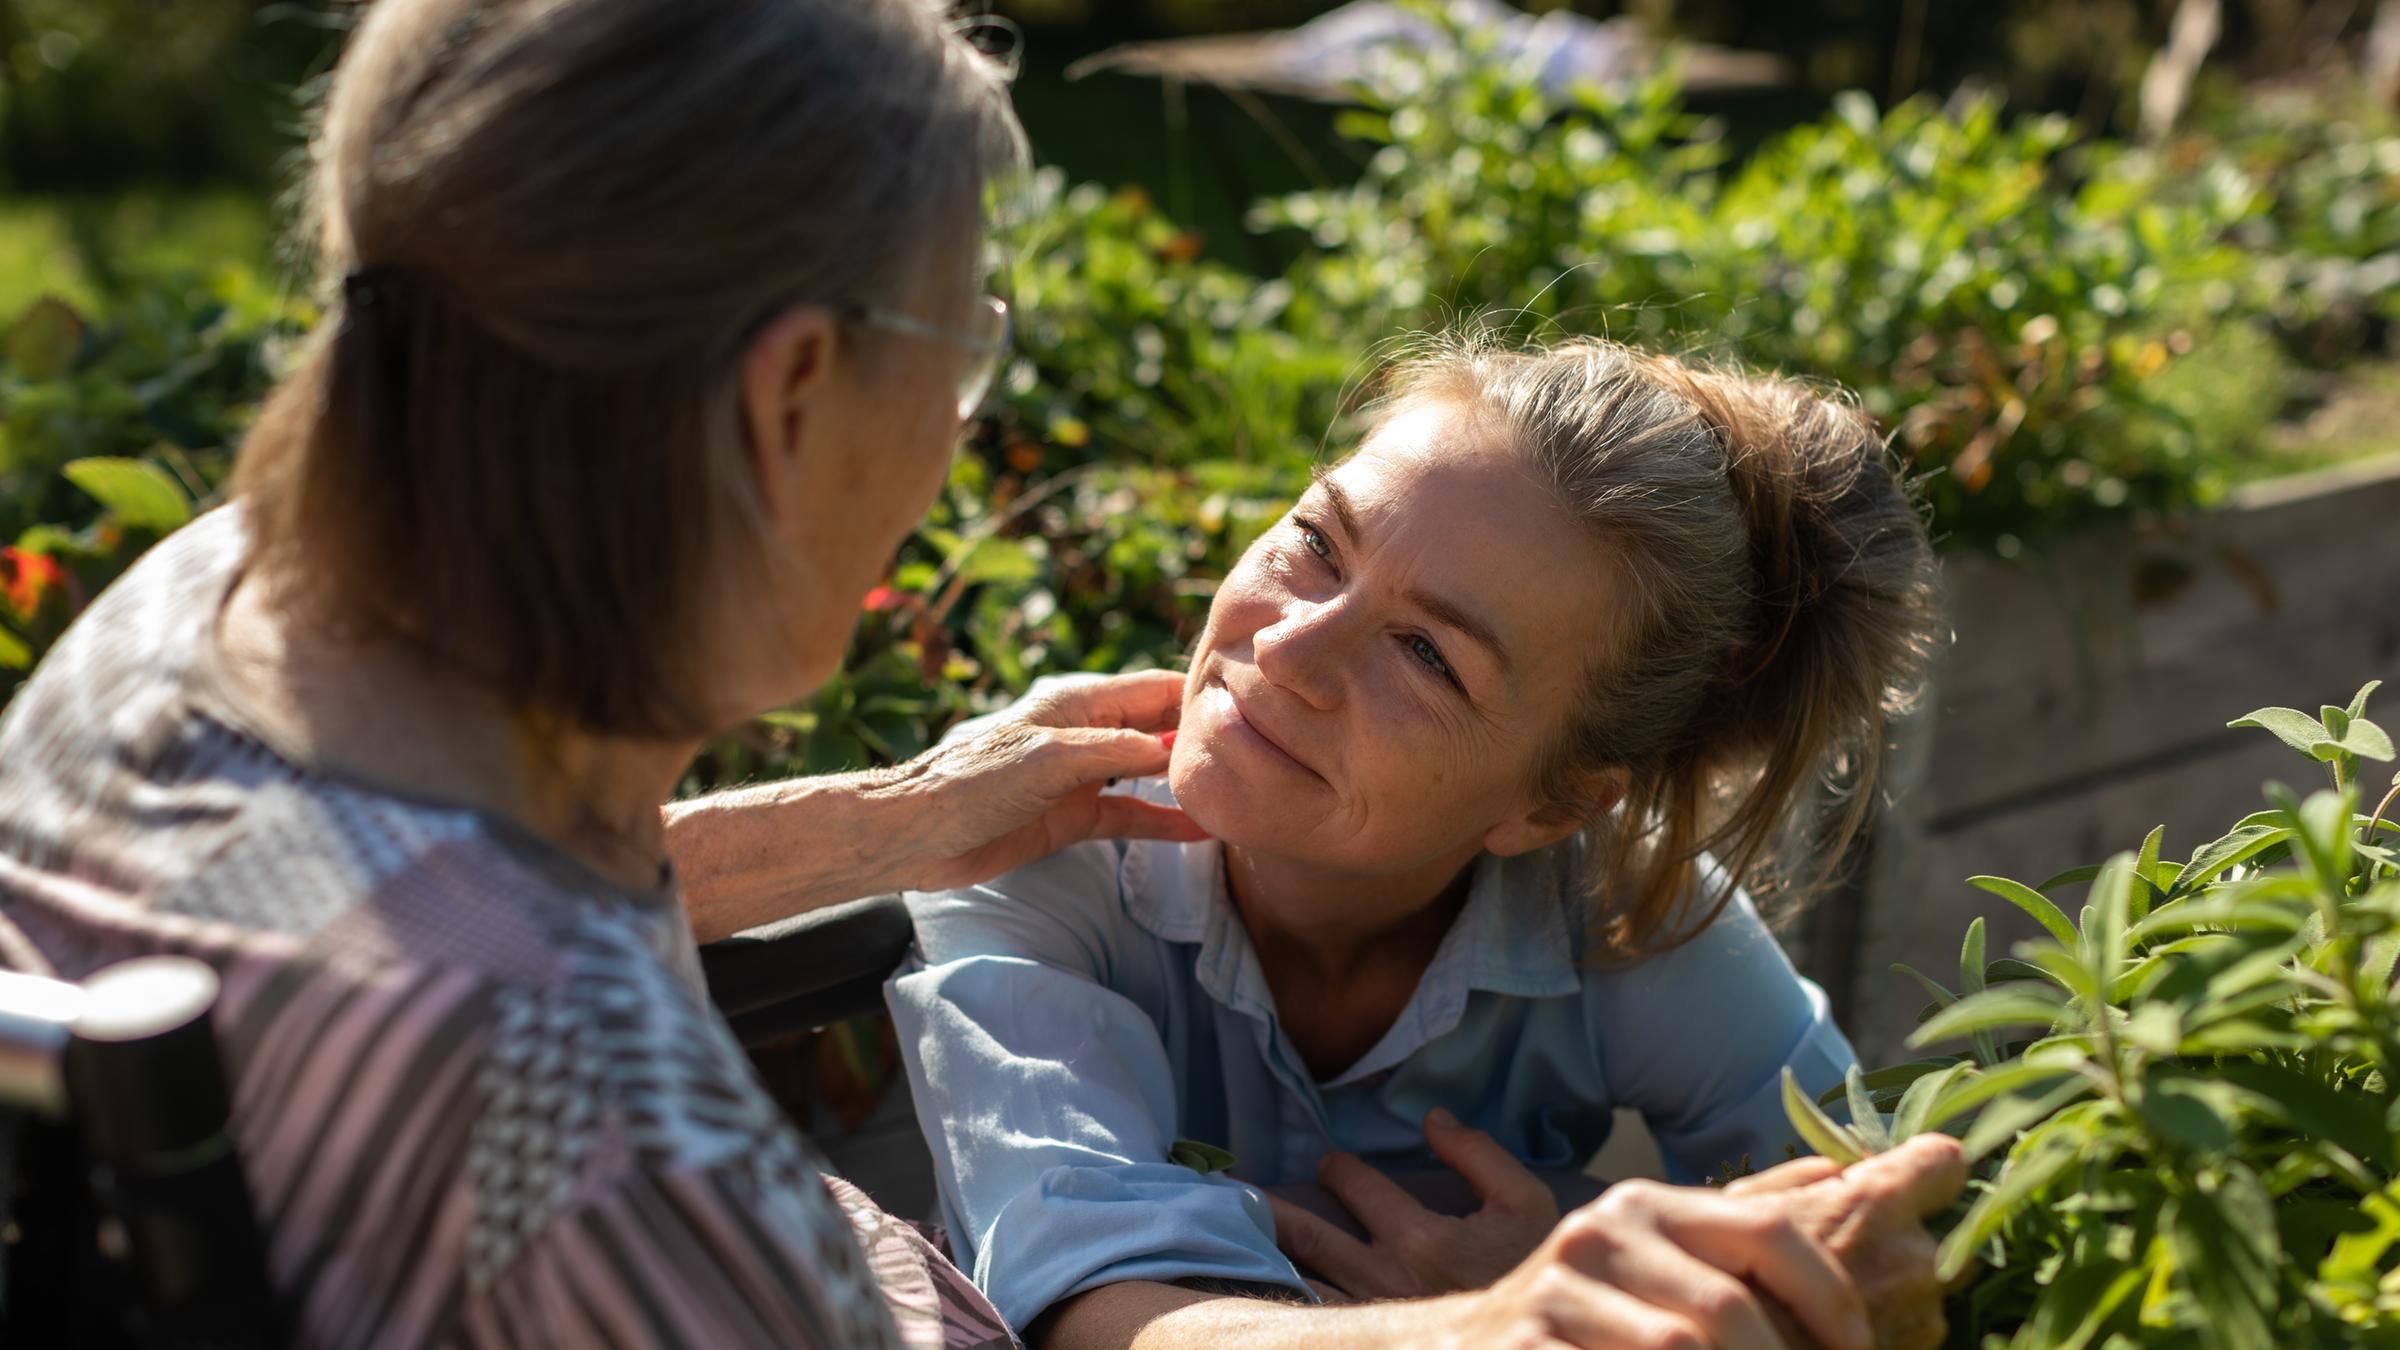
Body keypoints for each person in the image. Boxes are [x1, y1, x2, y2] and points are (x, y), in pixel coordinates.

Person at [0, 0, 1962, 1345]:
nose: (957, 431)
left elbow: (474, 887)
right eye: (964, 340)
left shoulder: (215, 614)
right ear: (792, 397)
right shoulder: (587, 1124)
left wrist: (882, 822)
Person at [890, 333, 1955, 1350]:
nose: (1287, 647)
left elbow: (1882, 1215)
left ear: (1553, 809)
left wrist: (1567, 1271)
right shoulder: (1029, 824)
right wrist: (1503, 1319)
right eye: (1317, 543)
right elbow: (1086, 1311)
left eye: (1428, 656)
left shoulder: (1618, 903)